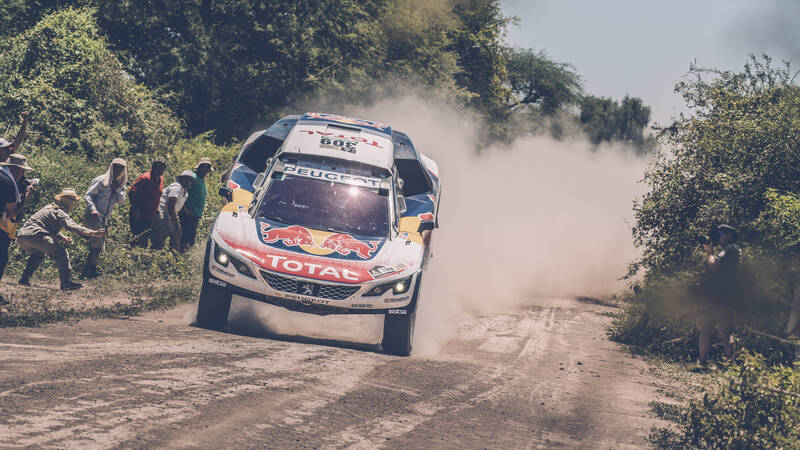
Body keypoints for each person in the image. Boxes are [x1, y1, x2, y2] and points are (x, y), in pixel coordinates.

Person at [17, 189, 107, 291]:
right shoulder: (60, 211)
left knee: (38, 255)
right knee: (61, 254)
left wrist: (62, 237)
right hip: (36, 234)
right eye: (73, 200)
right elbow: (71, 226)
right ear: (68, 201)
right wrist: (93, 233)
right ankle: (66, 283)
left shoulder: (49, 207)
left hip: (23, 235)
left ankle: (24, 279)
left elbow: (46, 226)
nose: (75, 202)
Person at [697, 224, 741, 367]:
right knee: (722, 331)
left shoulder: (731, 249)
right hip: (725, 296)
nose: (718, 237)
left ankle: (705, 363)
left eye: (720, 233)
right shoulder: (731, 250)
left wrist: (709, 252)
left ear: (729, 235)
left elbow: (714, 266)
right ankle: (729, 366)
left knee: (717, 331)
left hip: (721, 296)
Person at [0, 154, 36, 303]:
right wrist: (27, 195)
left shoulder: (7, 179)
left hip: (5, 225)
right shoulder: (8, 183)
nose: (24, 174)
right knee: (2, 258)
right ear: (15, 169)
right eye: (22, 170)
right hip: (3, 226)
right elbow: (13, 212)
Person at [83, 158, 127, 278]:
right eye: (116, 166)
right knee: (96, 245)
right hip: (94, 215)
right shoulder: (101, 180)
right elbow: (88, 195)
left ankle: (88, 271)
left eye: (121, 168)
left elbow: (122, 201)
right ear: (111, 167)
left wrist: (117, 189)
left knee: (99, 246)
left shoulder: (121, 185)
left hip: (104, 218)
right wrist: (92, 209)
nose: (118, 170)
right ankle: (89, 272)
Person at [151, 170, 196, 251]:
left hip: (169, 216)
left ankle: (171, 258)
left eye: (191, 180)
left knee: (176, 236)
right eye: (187, 179)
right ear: (182, 179)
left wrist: (187, 212)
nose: (188, 182)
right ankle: (155, 256)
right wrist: (176, 223)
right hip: (161, 213)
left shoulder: (185, 193)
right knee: (160, 240)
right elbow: (171, 206)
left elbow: (177, 206)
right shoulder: (176, 187)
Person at [129, 157, 166, 247]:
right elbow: (131, 193)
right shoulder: (145, 178)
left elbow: (156, 194)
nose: (159, 170)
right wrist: (136, 210)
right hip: (139, 214)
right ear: (152, 167)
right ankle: (131, 258)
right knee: (138, 239)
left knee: (145, 239)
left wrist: (156, 209)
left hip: (150, 215)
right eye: (157, 167)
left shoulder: (160, 179)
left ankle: (140, 259)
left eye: (162, 168)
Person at [179, 157, 214, 251]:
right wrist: (185, 209)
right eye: (203, 166)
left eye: (207, 167)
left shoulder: (201, 180)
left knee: (189, 240)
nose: (205, 169)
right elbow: (182, 192)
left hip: (195, 215)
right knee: (185, 239)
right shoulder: (193, 178)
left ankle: (182, 257)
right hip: (188, 214)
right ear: (199, 167)